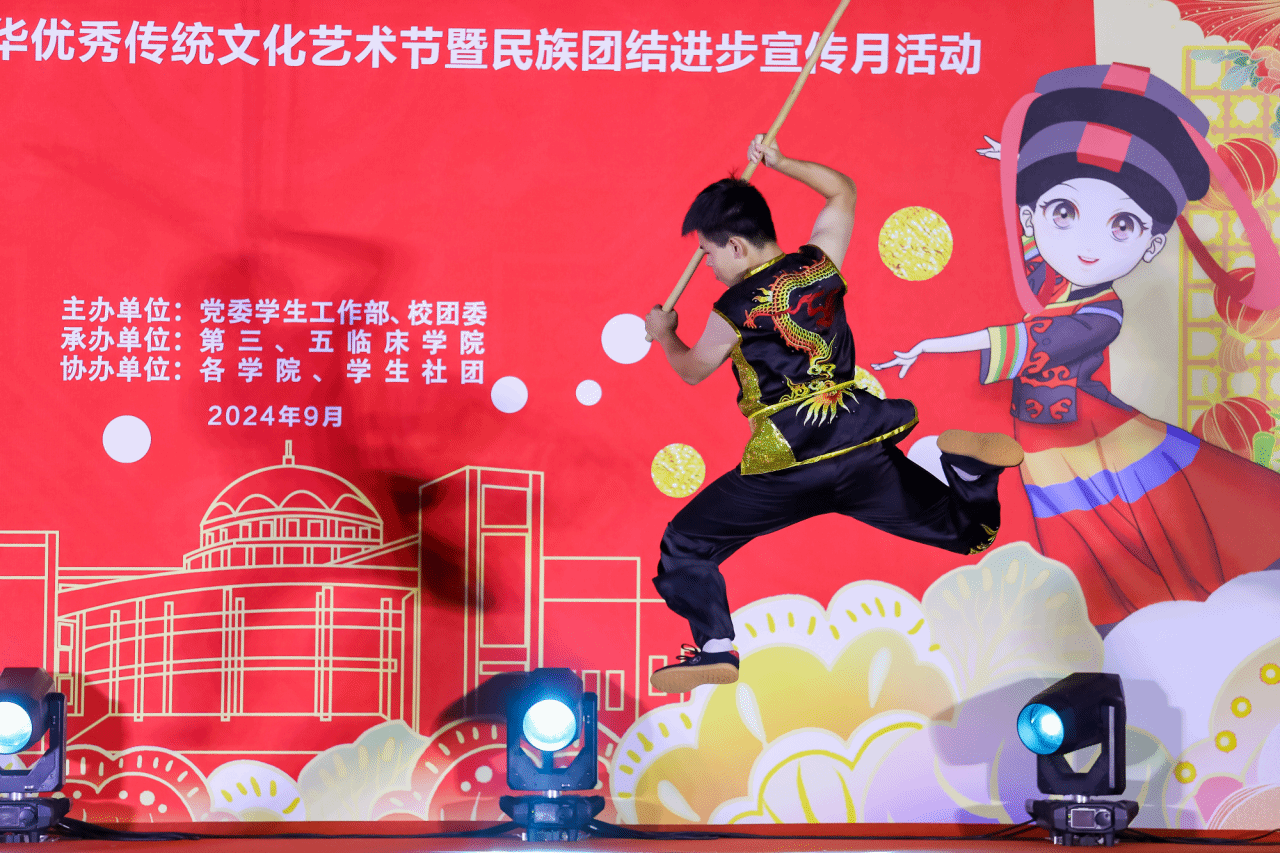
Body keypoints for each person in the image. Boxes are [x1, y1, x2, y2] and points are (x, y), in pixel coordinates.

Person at [872, 64, 1280, 629]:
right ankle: (1124, 631)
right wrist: (1014, 166)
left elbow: (1020, 340)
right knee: (1085, 540)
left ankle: (1172, 624)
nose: (1088, 244)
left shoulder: (1099, 316)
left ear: (1151, 244)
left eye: (1122, 225)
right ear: (1032, 214)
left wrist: (930, 347)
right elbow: (1027, 244)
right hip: (1043, 437)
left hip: (1092, 429)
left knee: (1160, 525)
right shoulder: (1050, 280)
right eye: (1063, 212)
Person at [642, 136, 1024, 694]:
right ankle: (970, 472)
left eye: (709, 253)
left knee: (685, 544)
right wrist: (783, 162)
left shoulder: (733, 308)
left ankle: (717, 647)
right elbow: (842, 192)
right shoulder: (819, 266)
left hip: (789, 464)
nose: (709, 265)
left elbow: (693, 370)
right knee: (968, 533)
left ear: (737, 247)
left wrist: (664, 334)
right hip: (860, 448)